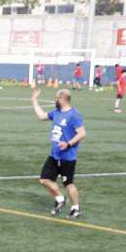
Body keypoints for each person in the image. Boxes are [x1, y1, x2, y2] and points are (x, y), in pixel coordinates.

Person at [31, 86, 85, 219]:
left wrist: (68, 144)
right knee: (44, 180)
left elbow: (82, 133)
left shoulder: (74, 115)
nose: (54, 100)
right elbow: (42, 116)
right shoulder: (56, 112)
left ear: (61, 99)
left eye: (56, 98)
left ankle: (76, 208)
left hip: (68, 157)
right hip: (54, 155)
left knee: (68, 184)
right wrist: (34, 100)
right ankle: (61, 200)